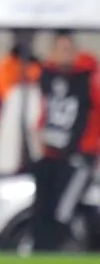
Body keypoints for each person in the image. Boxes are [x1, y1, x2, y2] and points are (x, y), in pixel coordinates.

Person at [30, 31, 100, 252]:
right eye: (61, 50)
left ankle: (54, 251)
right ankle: (40, 251)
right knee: (43, 206)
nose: (65, 55)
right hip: (52, 154)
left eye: (69, 50)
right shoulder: (46, 76)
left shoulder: (88, 79)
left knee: (63, 209)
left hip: (80, 156)